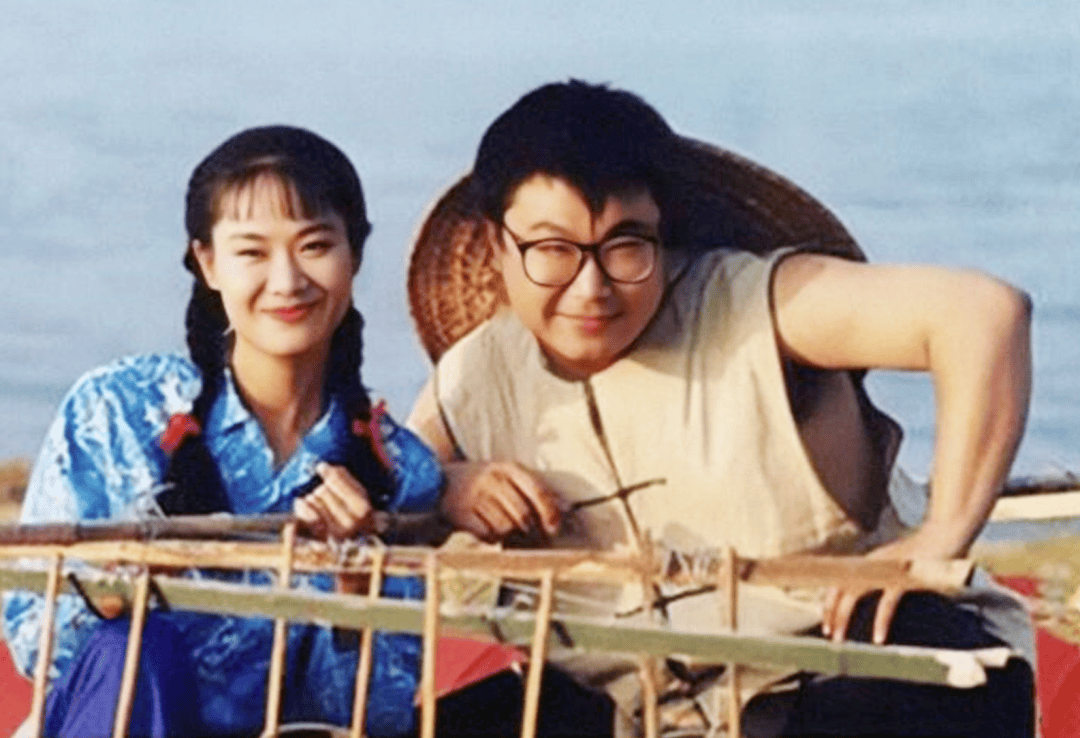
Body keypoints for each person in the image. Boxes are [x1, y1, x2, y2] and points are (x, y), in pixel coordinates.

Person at [406, 80, 1036, 737]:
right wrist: (448, 486)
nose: (591, 289)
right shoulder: (473, 376)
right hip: (634, 710)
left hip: (843, 672)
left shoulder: (759, 305)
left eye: (626, 246)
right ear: (497, 243)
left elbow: (983, 316)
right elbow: (381, 502)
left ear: (664, 233)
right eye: (553, 251)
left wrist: (940, 535)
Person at [3, 126, 438, 737]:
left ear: (355, 254)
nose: (287, 281)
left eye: (315, 246)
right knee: (135, 649)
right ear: (208, 263)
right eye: (252, 253)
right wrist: (116, 597)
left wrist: (354, 587)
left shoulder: (398, 469)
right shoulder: (116, 410)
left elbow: (375, 717)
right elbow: (33, 638)